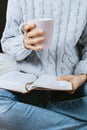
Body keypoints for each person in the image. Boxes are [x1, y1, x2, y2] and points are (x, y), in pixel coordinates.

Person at [0, 0, 87, 129]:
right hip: (30, 86)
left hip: (71, 84)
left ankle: (39, 112)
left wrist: (82, 76)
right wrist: (24, 43)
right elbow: (7, 41)